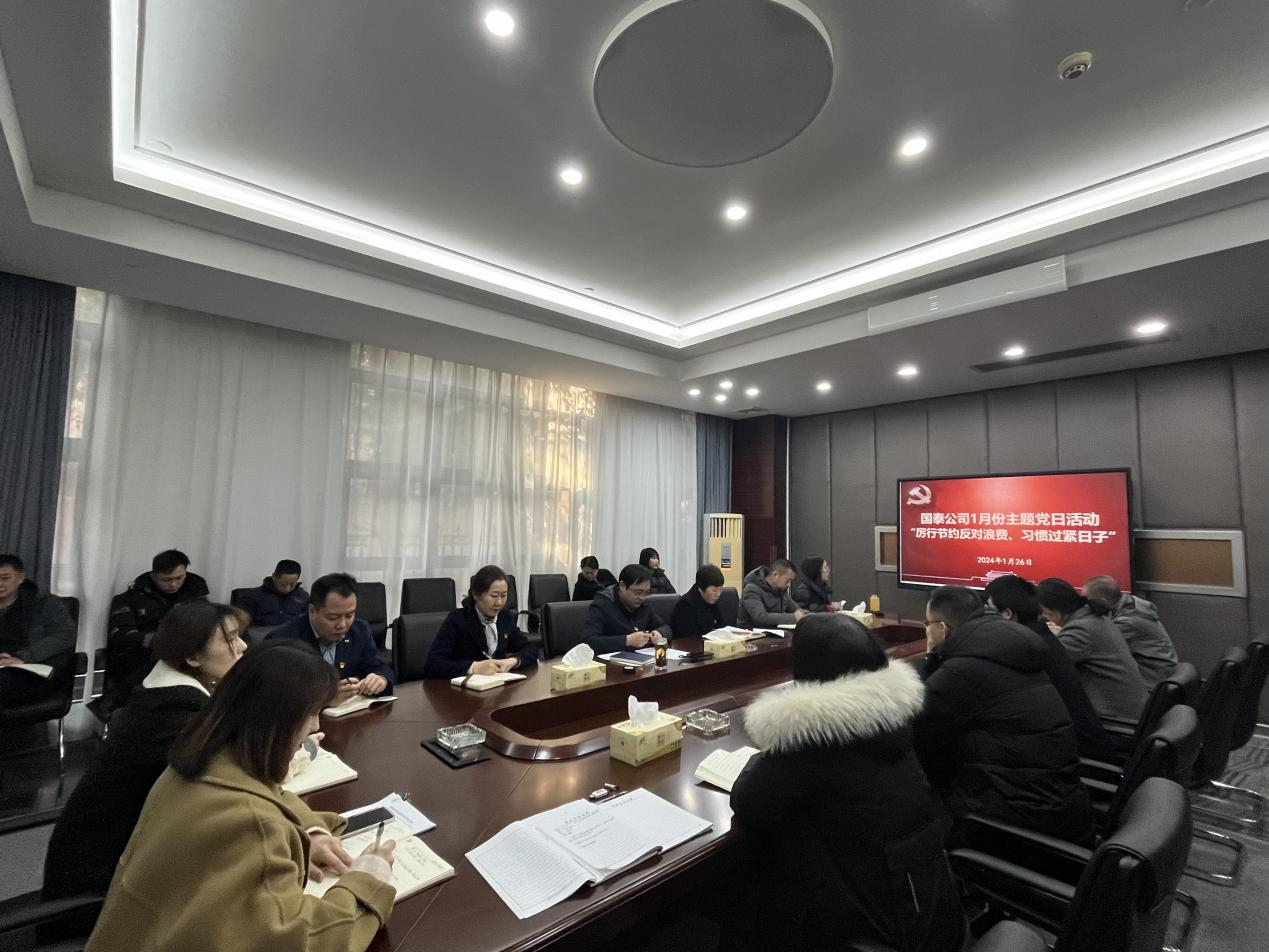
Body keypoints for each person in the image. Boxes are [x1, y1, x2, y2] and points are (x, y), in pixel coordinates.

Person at [84, 641, 397, 952]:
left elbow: (272, 793)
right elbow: (306, 942)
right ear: (277, 721)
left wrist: (312, 832)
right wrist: (367, 881)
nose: (316, 725)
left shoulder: (202, 760)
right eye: (313, 713)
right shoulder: (253, 826)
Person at [729, 614, 965, 952]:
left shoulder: (814, 737)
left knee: (745, 887)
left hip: (872, 927)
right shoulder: (892, 717)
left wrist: (769, 752)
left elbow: (749, 802)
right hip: (928, 909)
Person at [44, 602, 249, 898]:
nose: (242, 646)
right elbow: (231, 774)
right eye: (230, 639)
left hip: (119, 854)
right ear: (192, 657)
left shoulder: (165, 689)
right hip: (105, 881)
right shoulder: (174, 710)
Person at [914, 585, 1095, 845]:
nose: (926, 629)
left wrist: (932, 655)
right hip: (1063, 807)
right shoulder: (1010, 646)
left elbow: (916, 725)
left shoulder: (965, 670)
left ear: (941, 629)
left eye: (927, 624)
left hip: (1020, 823)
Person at [984, 574, 1112, 760]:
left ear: (1008, 614)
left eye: (988, 609)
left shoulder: (1024, 648)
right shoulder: (1040, 637)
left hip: (1073, 752)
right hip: (1078, 739)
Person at [96, 549, 210, 718]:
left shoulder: (197, 599)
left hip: (186, 662)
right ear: (154, 576)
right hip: (140, 660)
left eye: (179, 578)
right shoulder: (128, 599)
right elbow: (120, 634)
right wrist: (161, 641)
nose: (174, 584)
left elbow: (207, 628)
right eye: (167, 579)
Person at [267, 573, 393, 701]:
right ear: (312, 611)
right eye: (333, 618)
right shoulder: (283, 640)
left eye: (349, 615)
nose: (342, 625)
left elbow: (378, 666)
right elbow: (274, 695)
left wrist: (380, 679)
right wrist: (323, 699)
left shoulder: (359, 630)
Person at [1036, 578, 1148, 722]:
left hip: (1116, 719)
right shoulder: (1095, 617)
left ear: (1054, 610)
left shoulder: (1080, 630)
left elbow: (1046, 667)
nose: (1044, 617)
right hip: (1133, 710)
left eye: (1044, 612)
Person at [423, 565, 540, 679]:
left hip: (497, 685)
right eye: (494, 596)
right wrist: (474, 667)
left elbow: (530, 649)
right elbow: (433, 665)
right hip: (463, 688)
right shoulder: (457, 620)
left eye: (504, 595)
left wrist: (513, 661)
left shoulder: (504, 617)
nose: (499, 602)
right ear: (476, 594)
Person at [0, 554, 76, 711]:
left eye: (5, 578)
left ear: (20, 578)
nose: (0, 584)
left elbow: (64, 636)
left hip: (34, 671)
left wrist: (23, 657)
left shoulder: (45, 603)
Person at [1084, 575, 1178, 689]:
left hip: (1152, 678)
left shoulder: (1127, 622)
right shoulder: (1133, 602)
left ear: (1102, 601)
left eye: (1087, 602)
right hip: (1162, 668)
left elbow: (1096, 648)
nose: (1085, 606)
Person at [581, 564, 671, 653]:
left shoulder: (643, 604)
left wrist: (659, 633)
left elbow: (665, 627)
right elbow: (588, 641)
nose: (642, 597)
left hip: (639, 657)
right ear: (622, 586)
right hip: (608, 659)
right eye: (638, 592)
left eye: (646, 593)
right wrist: (627, 640)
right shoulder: (603, 604)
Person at [238, 559, 309, 628]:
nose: (287, 589)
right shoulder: (251, 597)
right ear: (274, 577)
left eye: (292, 585)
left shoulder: (303, 597)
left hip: (295, 634)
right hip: (262, 635)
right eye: (283, 584)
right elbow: (241, 625)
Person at [737, 559, 806, 629]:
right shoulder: (752, 589)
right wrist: (793, 617)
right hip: (753, 633)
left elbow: (796, 610)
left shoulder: (782, 591)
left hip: (777, 631)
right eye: (787, 580)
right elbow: (760, 617)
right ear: (775, 575)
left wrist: (809, 617)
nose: (789, 585)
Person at [668, 564, 727, 639]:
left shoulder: (712, 601)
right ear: (701, 588)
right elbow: (689, 638)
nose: (718, 594)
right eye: (714, 590)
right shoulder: (685, 605)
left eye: (720, 590)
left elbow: (721, 626)